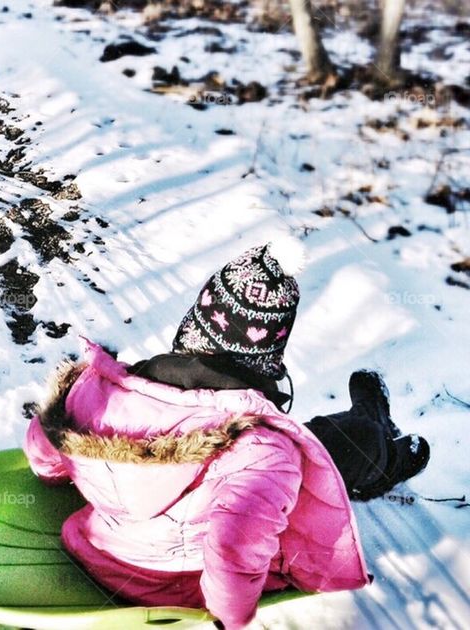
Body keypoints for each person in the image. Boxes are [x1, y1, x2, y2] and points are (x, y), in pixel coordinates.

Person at [23, 238, 430, 629]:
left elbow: (45, 450)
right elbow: (230, 552)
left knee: (309, 442)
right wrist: (232, 620)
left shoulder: (100, 391)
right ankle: (383, 447)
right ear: (267, 357)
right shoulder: (262, 452)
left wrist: (64, 474)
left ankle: (369, 419)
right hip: (176, 589)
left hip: (91, 550)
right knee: (330, 449)